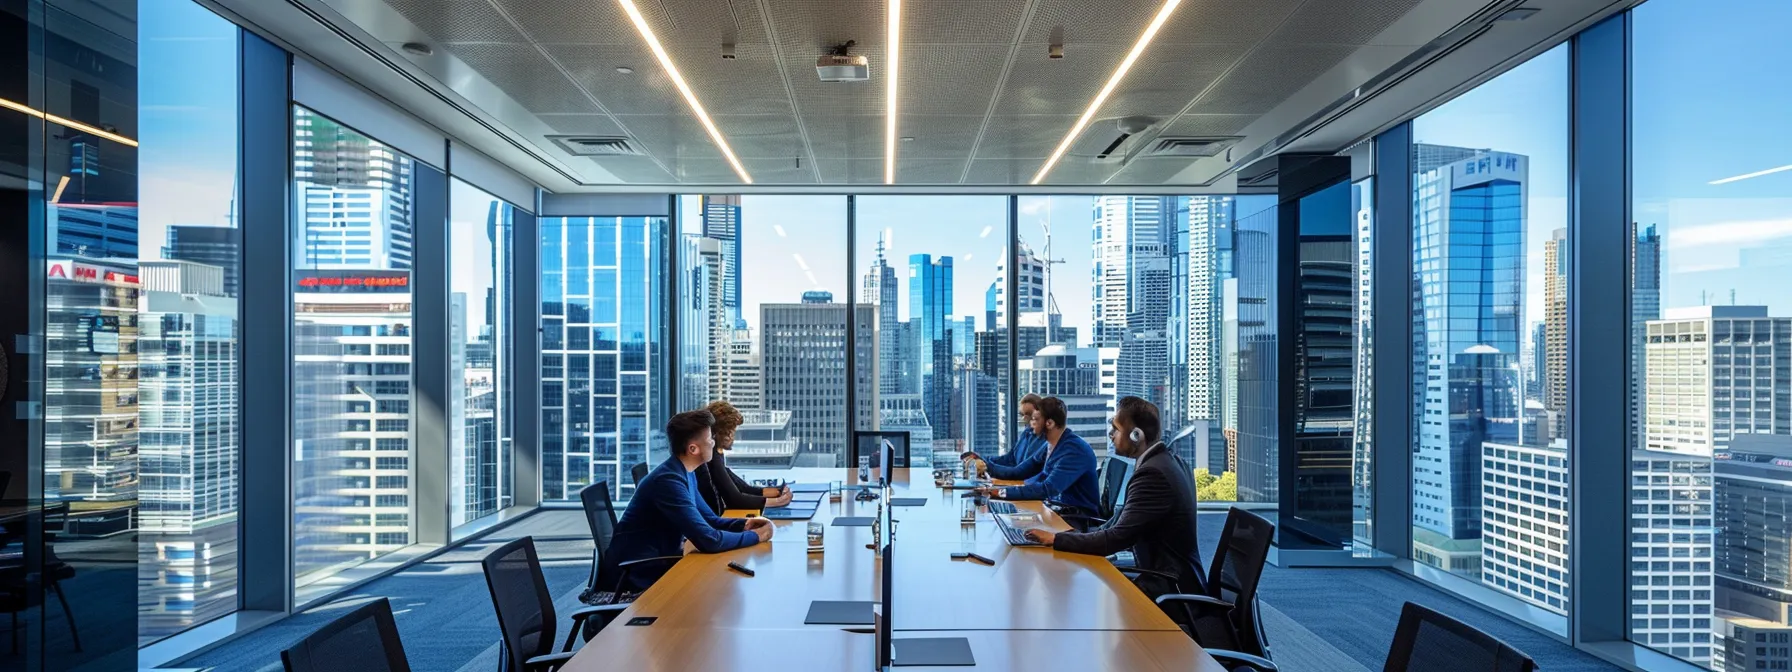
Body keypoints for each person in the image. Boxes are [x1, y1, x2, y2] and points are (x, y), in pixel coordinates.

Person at [1023, 397, 1207, 600]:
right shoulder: (1167, 462)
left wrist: (1056, 539)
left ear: (1136, 435)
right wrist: (1072, 535)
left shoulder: (1153, 474)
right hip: (1169, 579)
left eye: (1116, 429)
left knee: (1073, 593)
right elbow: (1119, 521)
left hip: (1170, 589)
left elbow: (1117, 538)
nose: (1111, 435)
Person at [599, 410, 772, 593]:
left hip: (659, 565)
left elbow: (710, 520)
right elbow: (709, 540)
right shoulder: (668, 481)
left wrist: (744, 525)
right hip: (636, 578)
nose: (713, 442)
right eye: (709, 439)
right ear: (693, 449)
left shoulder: (686, 472)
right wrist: (757, 536)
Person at [981, 396, 1101, 516]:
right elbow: (1019, 472)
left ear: (1049, 423)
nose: (1031, 424)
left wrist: (1001, 492)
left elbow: (1047, 489)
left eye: (1035, 419)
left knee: (1022, 529)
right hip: (1054, 509)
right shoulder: (1049, 445)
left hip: (1077, 517)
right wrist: (986, 466)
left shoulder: (1075, 451)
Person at [699, 400, 794, 512]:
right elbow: (734, 500)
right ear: (718, 433)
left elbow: (743, 488)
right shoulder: (711, 458)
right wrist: (779, 502)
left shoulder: (716, 454)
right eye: (730, 431)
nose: (732, 436)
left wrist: (777, 492)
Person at [960, 394, 1045, 480]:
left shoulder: (1044, 443)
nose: (1024, 419)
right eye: (1022, 414)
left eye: (1029, 414)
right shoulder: (1026, 434)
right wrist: (982, 459)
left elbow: (1020, 472)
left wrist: (987, 466)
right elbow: (1009, 459)